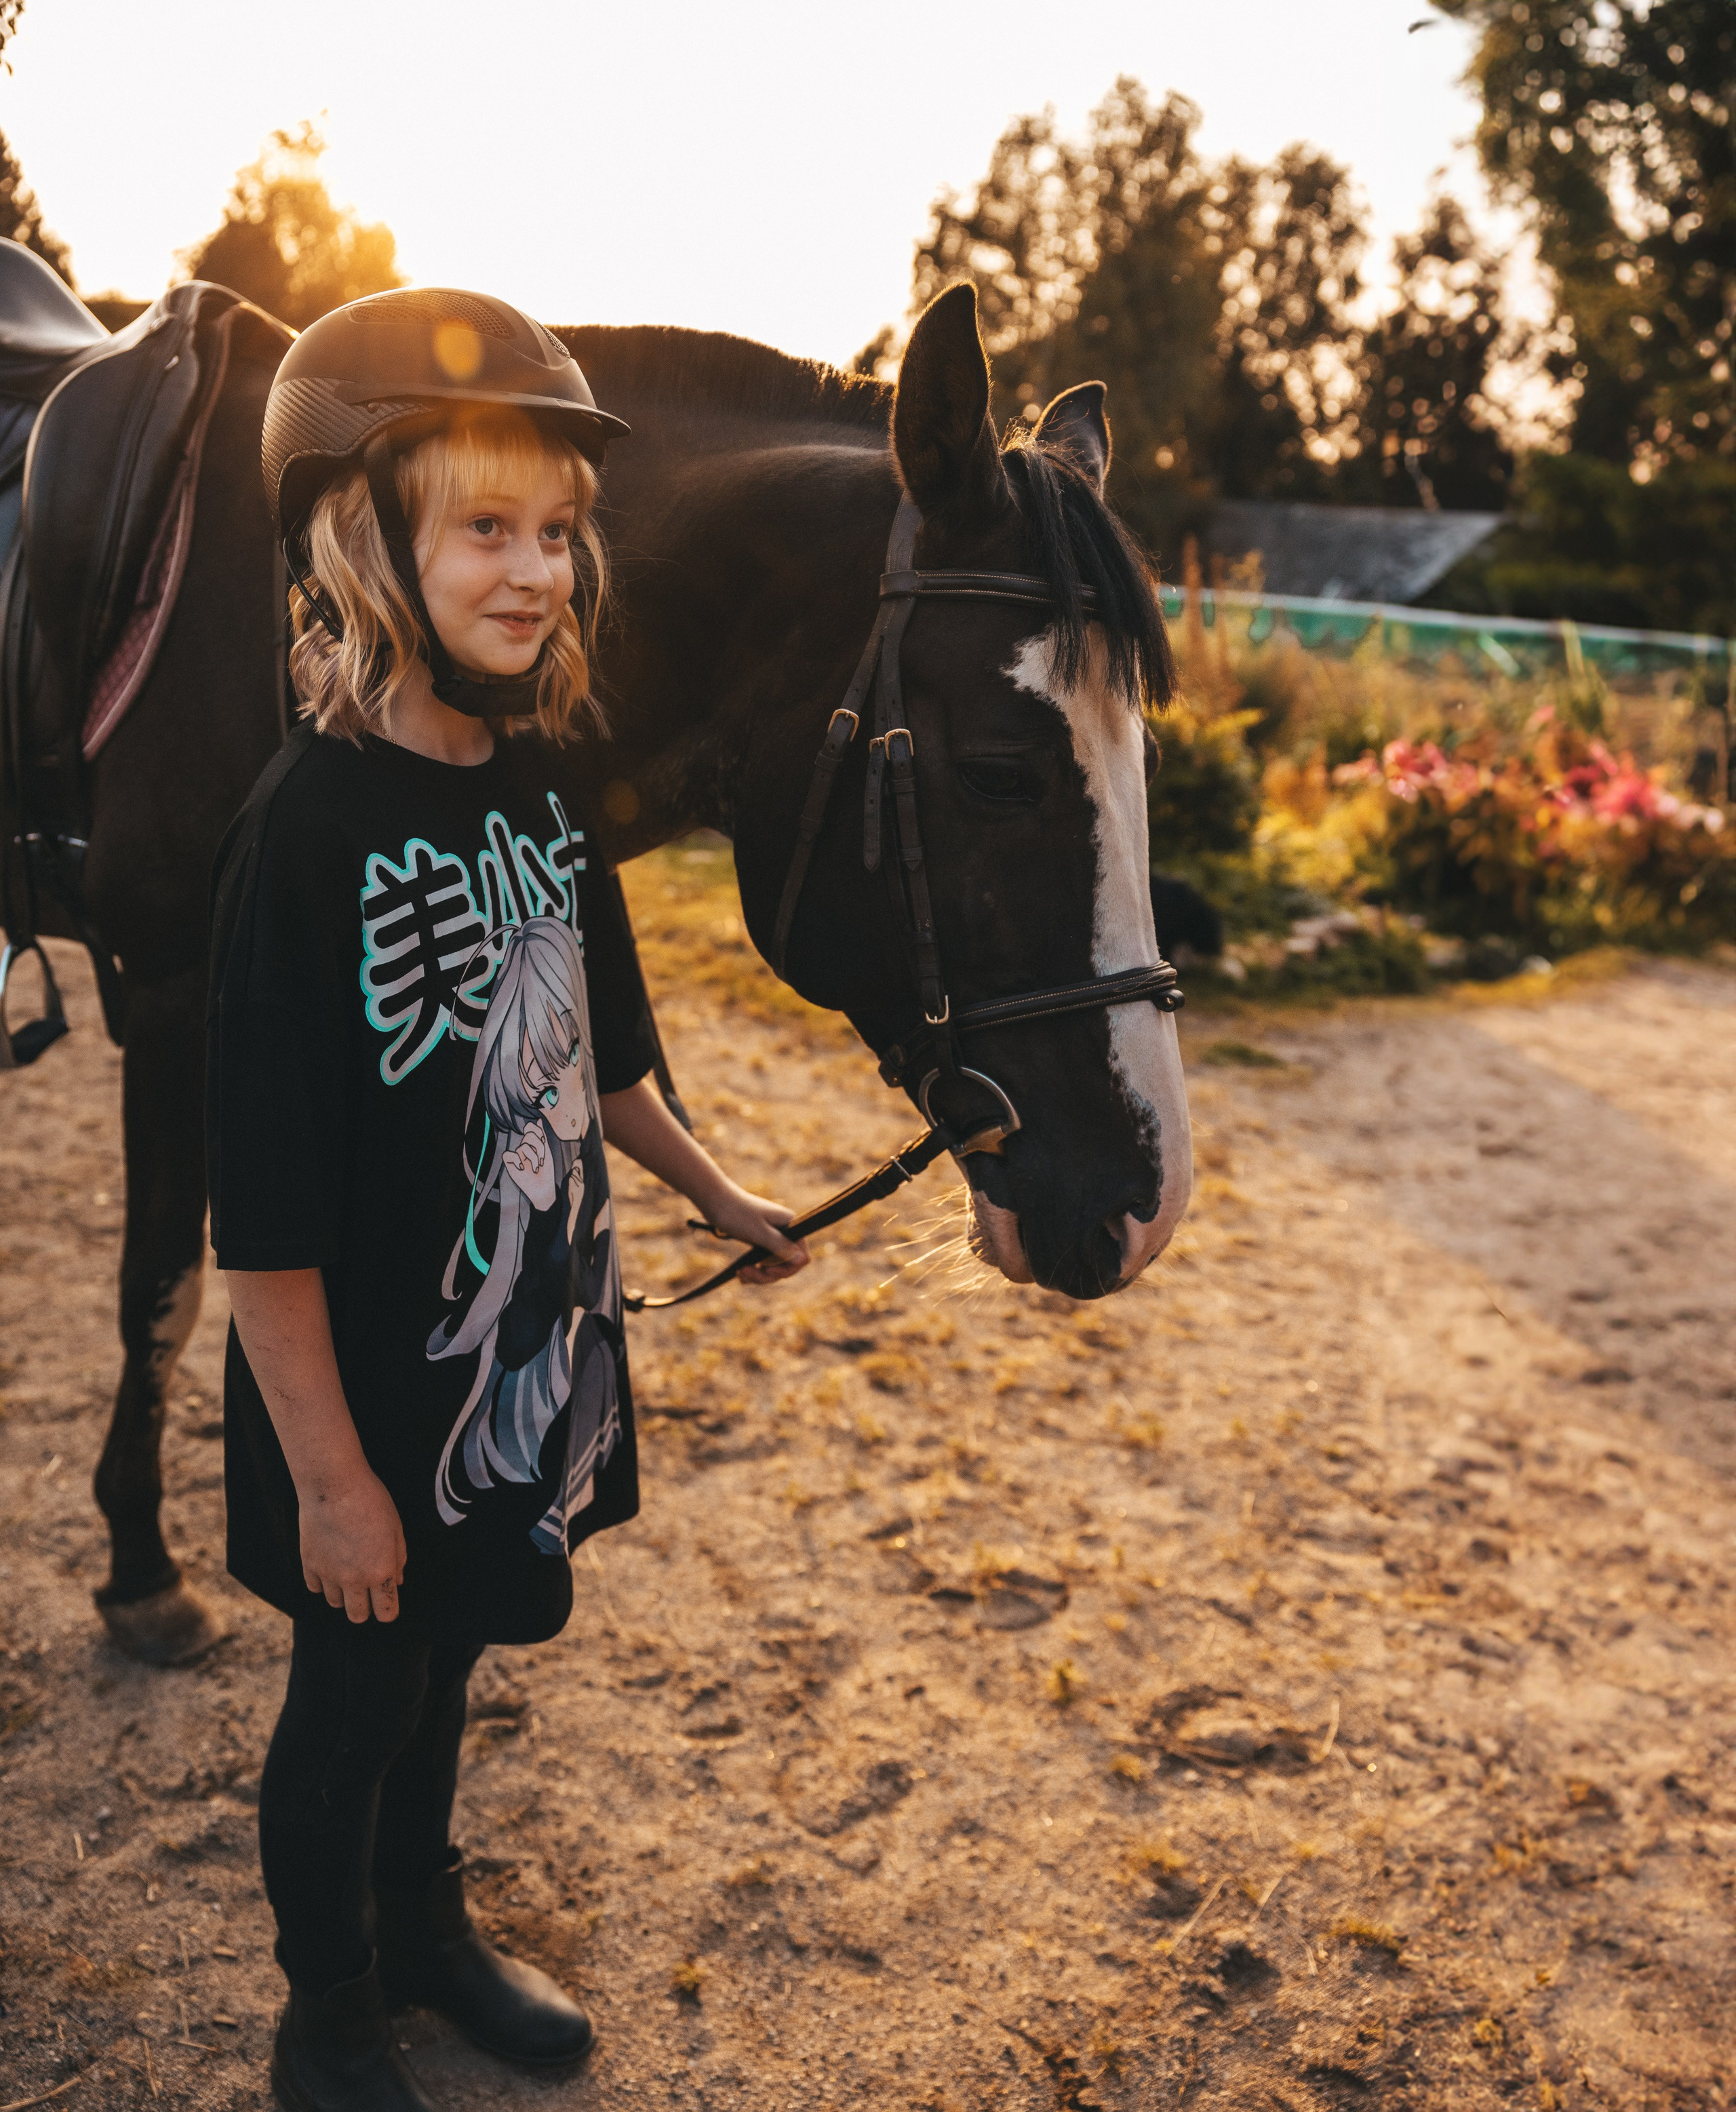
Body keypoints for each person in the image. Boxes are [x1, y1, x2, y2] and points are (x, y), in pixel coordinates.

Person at [208, 288, 808, 2112]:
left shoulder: (544, 792)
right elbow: (264, 1230)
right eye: (485, 526)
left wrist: (720, 1192)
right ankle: (327, 2013)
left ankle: (425, 1927)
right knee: (351, 1707)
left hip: (514, 1364)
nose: (536, 570)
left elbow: (607, 1061)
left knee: (455, 1651)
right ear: (362, 541)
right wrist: (333, 1481)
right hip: (359, 1397)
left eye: (556, 531)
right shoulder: (303, 839)